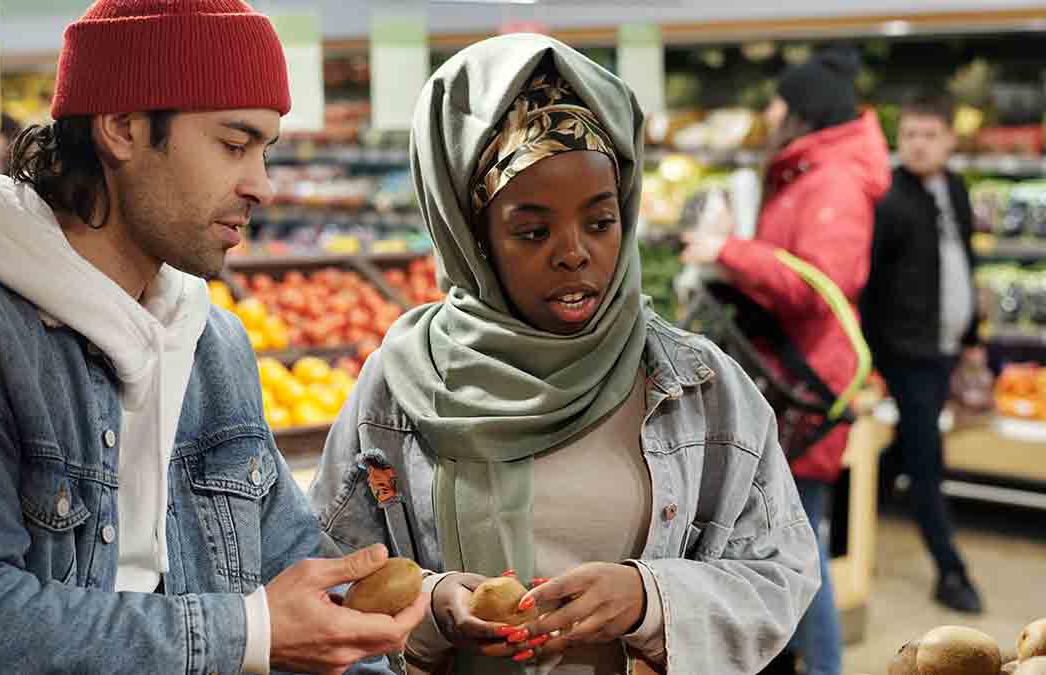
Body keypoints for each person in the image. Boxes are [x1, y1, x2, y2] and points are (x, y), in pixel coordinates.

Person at [0, 2, 427, 673]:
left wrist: (424, 604)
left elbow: (294, 567)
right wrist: (246, 631)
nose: (261, 185)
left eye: (266, 150)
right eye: (233, 146)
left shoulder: (212, 343)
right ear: (121, 126)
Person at [310, 34, 819, 675]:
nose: (575, 253)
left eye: (601, 222)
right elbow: (324, 575)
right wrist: (432, 604)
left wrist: (650, 599)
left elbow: (782, 576)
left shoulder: (699, 388)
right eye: (533, 230)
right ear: (475, 238)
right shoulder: (401, 387)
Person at [681, 47, 892, 675]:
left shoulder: (832, 182)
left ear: (800, 113)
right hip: (794, 379)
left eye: (776, 102)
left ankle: (825, 668)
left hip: (807, 387)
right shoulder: (806, 174)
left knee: (800, 549)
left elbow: (823, 281)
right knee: (791, 543)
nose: (767, 113)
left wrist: (731, 251)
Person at [860, 89, 983, 614]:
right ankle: (951, 571)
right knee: (927, 459)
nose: (917, 144)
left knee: (906, 447)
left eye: (929, 135)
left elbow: (964, 262)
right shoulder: (889, 199)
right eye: (909, 134)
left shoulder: (955, 188)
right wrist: (870, 358)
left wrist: (973, 336)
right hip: (907, 352)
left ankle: (847, 521)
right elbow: (869, 283)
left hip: (945, 348)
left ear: (950, 140)